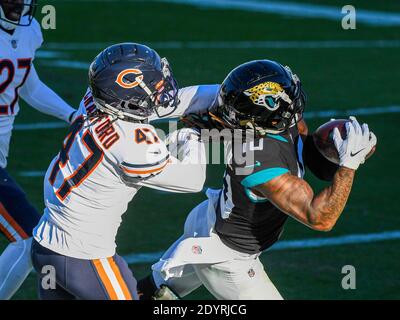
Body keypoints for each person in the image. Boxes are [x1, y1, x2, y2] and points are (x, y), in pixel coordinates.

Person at [137, 59, 377, 300]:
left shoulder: (261, 123)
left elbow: (306, 152)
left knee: (152, 292)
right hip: (226, 256)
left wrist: (338, 149)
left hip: (209, 218)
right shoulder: (259, 160)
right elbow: (319, 218)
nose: (292, 104)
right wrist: (348, 166)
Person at [30, 42, 221, 300]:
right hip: (84, 257)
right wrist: (191, 135)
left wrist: (225, 92)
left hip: (45, 245)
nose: (161, 87)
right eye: (154, 83)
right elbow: (193, 180)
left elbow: (173, 104)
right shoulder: (130, 140)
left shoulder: (94, 100)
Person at [0, 0, 77, 299]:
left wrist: (71, 114)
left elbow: (28, 86)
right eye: (10, 1)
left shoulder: (30, 31)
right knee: (28, 237)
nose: (18, 7)